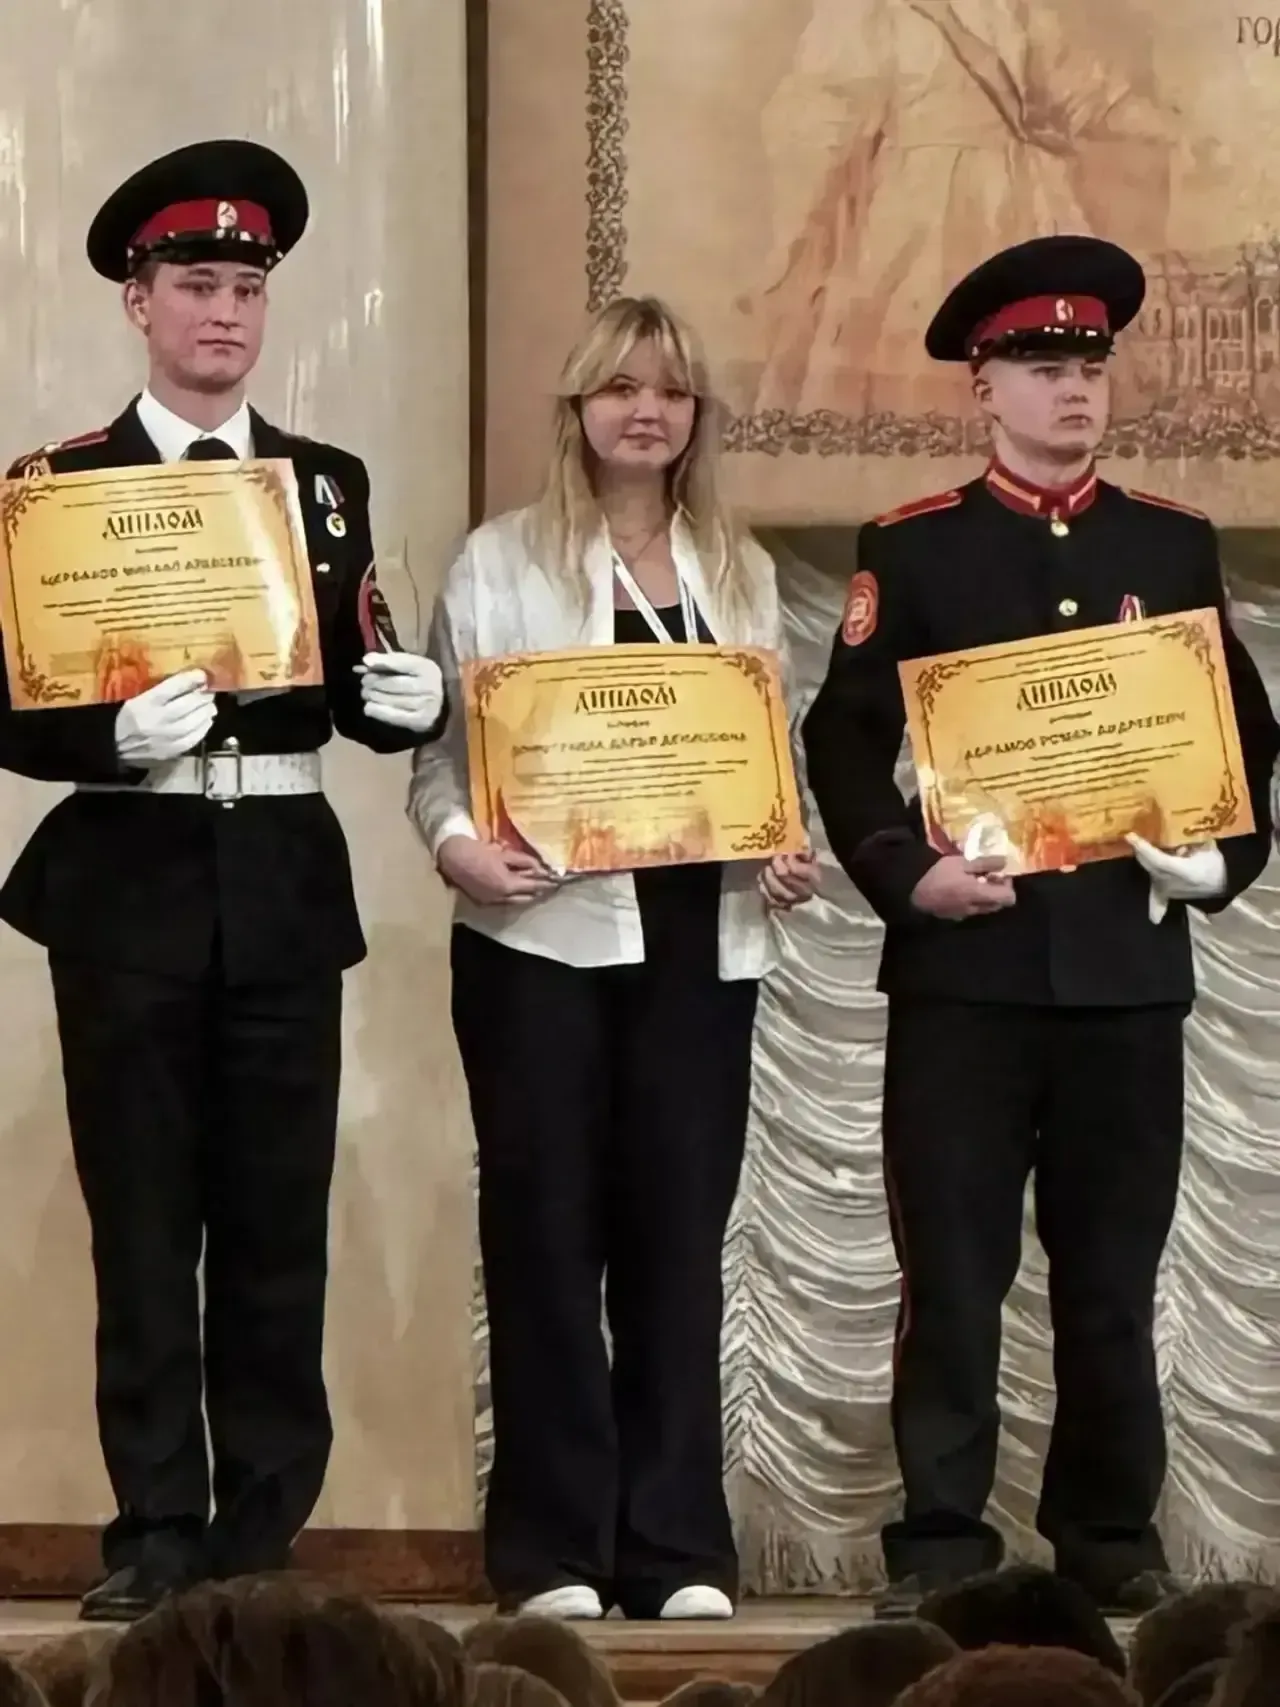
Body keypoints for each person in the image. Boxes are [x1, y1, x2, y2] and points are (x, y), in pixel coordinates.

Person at [0, 139, 446, 1621]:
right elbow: (9, 703)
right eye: (196, 284)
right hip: (127, 880)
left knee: (274, 1225)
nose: (225, 313)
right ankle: (155, 1530)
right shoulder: (57, 488)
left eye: (247, 288)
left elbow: (351, 676)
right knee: (142, 1222)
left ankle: (262, 1538)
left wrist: (408, 703)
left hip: (278, 878)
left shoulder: (322, 484)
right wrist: (103, 738)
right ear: (138, 301)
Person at [802, 235, 1279, 1618]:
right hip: (968, 967)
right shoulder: (914, 547)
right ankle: (940, 1542)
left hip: (1126, 970)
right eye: (1042, 365)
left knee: (1112, 1279)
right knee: (952, 1273)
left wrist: (1214, 863)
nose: (1074, 388)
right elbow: (842, 742)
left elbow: (1246, 741)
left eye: (1090, 365)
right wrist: (907, 875)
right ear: (984, 386)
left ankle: (1110, 1533)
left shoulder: (1168, 544)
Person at [409, 295, 817, 1621]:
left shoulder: (738, 569)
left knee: (677, 1240)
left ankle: (677, 1545)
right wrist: (460, 848)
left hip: (701, 942)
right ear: (577, 407)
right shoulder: (498, 562)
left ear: (697, 417)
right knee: (544, 1238)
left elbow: (766, 762)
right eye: (623, 387)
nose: (649, 411)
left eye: (673, 391)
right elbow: (441, 764)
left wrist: (786, 849)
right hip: (537, 938)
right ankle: (552, 1550)